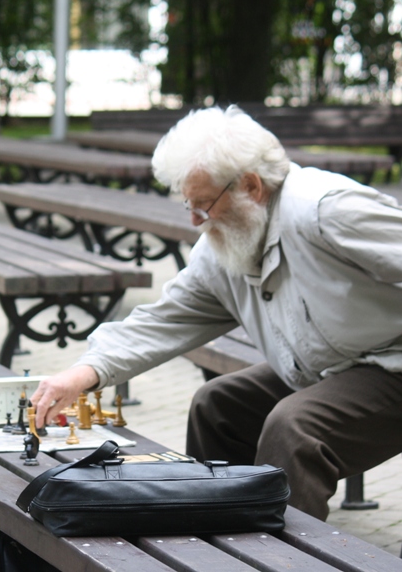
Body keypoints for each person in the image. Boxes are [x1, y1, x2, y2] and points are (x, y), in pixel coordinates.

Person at [31, 105, 402, 521]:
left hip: (393, 364)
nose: (194, 220)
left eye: (204, 204)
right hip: (330, 366)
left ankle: (281, 560)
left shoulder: (327, 210)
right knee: (218, 406)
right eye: (188, 204)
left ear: (251, 186)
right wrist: (83, 375)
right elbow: (165, 320)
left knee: (294, 427)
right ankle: (215, 546)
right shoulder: (222, 247)